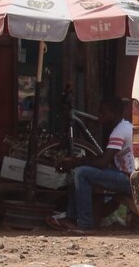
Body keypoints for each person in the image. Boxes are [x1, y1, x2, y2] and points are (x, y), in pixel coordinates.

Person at [49, 97, 133, 233]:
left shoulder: (120, 131)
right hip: (126, 177)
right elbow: (104, 157)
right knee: (80, 171)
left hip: (128, 180)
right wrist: (75, 162)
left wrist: (75, 162)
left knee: (82, 173)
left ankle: (85, 224)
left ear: (116, 113)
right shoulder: (123, 128)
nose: (100, 116)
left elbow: (102, 162)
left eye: (103, 113)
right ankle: (72, 218)